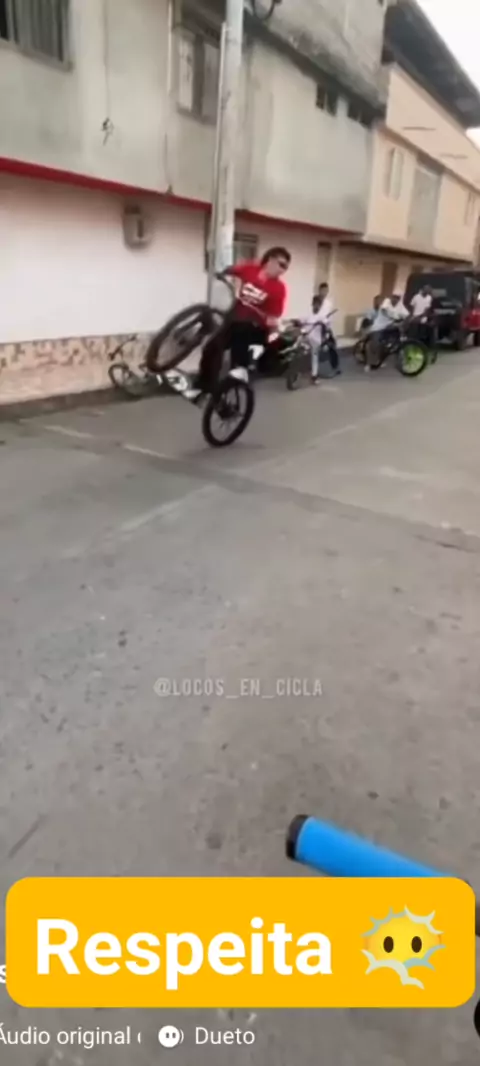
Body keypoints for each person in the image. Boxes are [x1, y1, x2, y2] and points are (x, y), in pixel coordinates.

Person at [195, 247, 291, 394]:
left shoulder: (279, 288)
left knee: (242, 334)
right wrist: (222, 273)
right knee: (212, 348)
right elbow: (233, 270)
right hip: (234, 317)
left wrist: (271, 321)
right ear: (270, 260)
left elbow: (275, 314)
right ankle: (205, 386)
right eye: (281, 265)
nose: (282, 270)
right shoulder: (251, 269)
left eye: (285, 268)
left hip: (254, 325)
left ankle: (241, 369)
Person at [364, 293, 409, 371]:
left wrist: (404, 321)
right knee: (374, 344)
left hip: (390, 327)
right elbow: (384, 310)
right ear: (391, 297)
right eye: (394, 297)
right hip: (379, 327)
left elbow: (407, 315)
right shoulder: (387, 302)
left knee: (399, 341)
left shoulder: (400, 306)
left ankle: (400, 361)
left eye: (398, 298)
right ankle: (368, 364)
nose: (395, 299)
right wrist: (394, 317)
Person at [316, 282, 341, 375]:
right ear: (319, 290)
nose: (324, 292)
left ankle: (335, 367)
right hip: (315, 326)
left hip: (325, 326)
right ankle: (314, 370)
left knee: (332, 346)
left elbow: (329, 317)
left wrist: (327, 326)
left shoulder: (328, 303)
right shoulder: (315, 301)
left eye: (326, 291)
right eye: (322, 290)